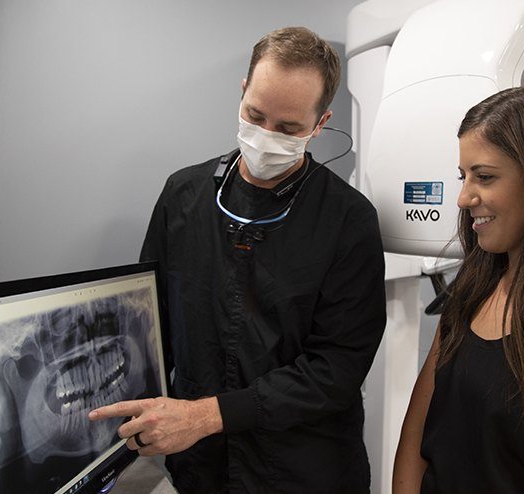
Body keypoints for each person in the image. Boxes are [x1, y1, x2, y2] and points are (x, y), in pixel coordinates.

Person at [89, 26, 386, 493]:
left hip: (303, 470)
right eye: (256, 114)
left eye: (289, 128)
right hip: (200, 467)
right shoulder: (182, 196)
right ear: (243, 91)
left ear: (321, 122)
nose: (267, 136)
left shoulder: (349, 221)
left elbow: (338, 369)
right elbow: (149, 323)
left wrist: (207, 415)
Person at [393, 84, 524, 493]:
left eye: (485, 177)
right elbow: (416, 445)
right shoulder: (470, 292)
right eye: (464, 176)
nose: (463, 197)